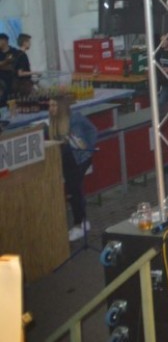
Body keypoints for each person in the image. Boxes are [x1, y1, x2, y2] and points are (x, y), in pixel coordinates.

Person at [47, 95, 98, 241]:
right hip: (67, 160)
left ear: (62, 107)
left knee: (72, 190)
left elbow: (93, 130)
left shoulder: (75, 118)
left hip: (80, 158)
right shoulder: (52, 122)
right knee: (74, 190)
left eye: (54, 105)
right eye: (50, 106)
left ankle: (78, 224)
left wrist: (88, 147)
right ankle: (83, 222)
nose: (51, 108)